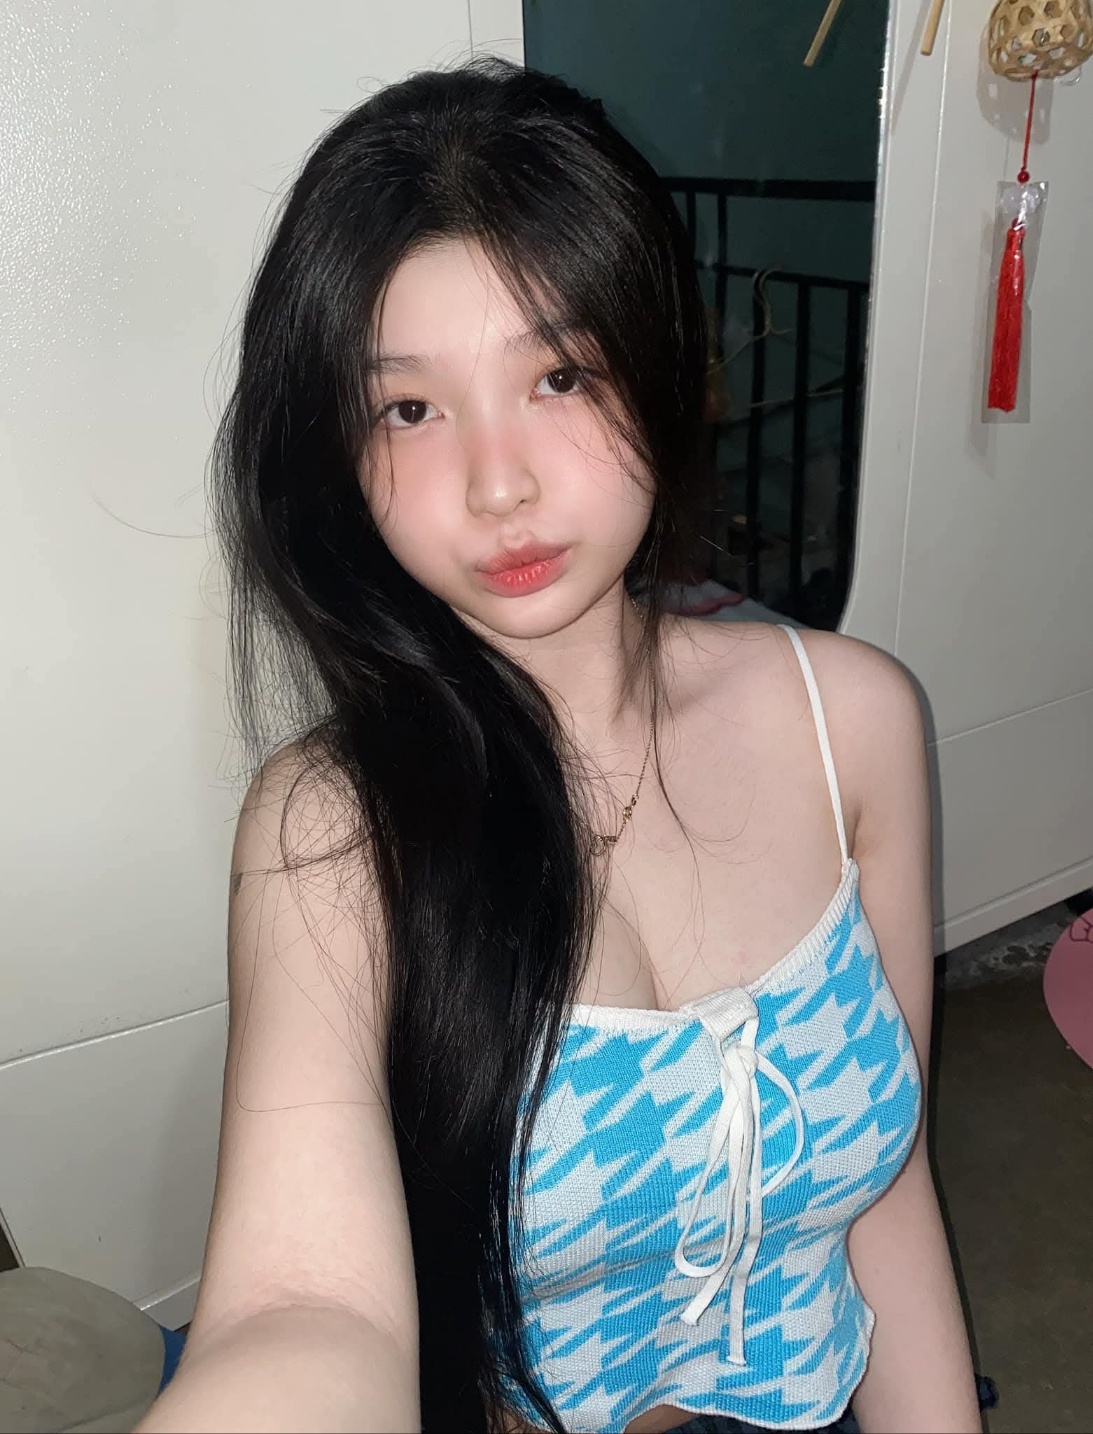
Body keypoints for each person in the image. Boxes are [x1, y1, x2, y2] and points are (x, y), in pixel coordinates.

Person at [137, 57, 982, 1434]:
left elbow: (884, 1192)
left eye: (559, 374)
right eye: (410, 408)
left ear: (659, 368)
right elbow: (307, 1307)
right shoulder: (329, 834)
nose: (500, 483)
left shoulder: (857, 724)